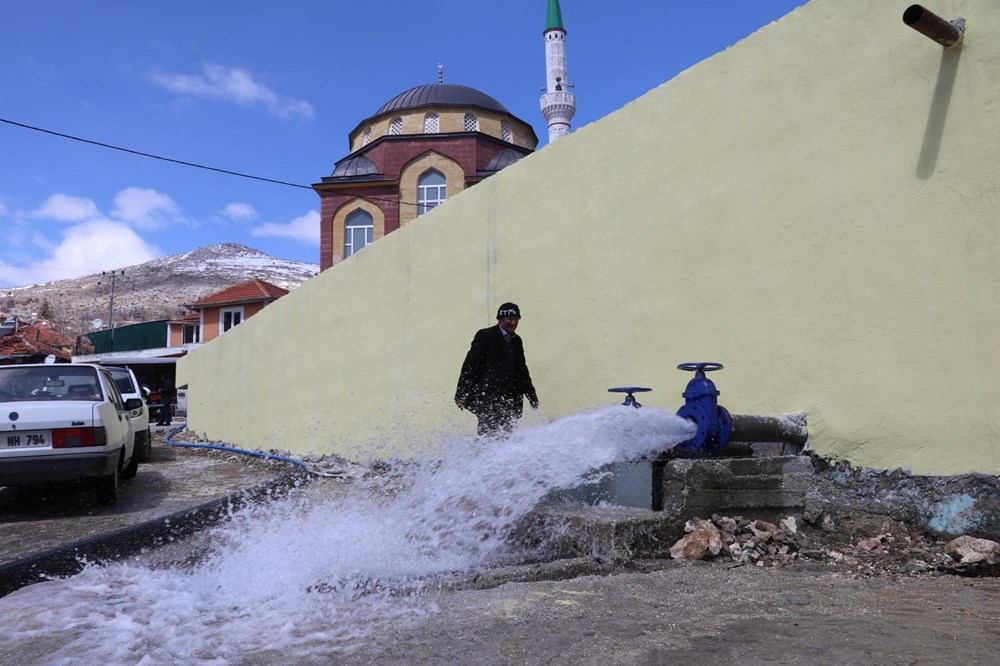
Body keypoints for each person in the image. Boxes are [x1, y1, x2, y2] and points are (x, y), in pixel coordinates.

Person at [455, 302, 539, 436]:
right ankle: (484, 456)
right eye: (509, 319)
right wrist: (462, 392)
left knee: (508, 437)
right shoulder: (486, 336)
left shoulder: (517, 341)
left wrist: (531, 395)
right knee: (489, 437)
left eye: (516, 319)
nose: (513, 322)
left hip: (510, 400)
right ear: (500, 319)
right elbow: (470, 365)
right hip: (489, 399)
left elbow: (522, 370)